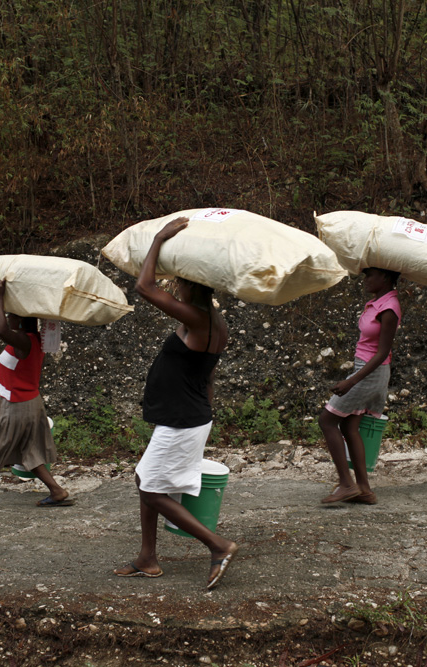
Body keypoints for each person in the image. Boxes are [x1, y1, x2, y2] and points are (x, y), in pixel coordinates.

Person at [114, 217, 238, 590]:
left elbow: (144, 286)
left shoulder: (197, 318)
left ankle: (218, 546)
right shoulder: (215, 322)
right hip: (188, 416)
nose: (175, 287)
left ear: (190, 285)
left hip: (183, 420)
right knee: (145, 479)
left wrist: (159, 239)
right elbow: (208, 375)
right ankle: (147, 558)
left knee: (151, 489)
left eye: (179, 281)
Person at [0, 280, 70, 512]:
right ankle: (57, 492)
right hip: (25, 403)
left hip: (17, 405)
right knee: (29, 450)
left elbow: (0, 329)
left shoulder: (24, 340)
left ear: (20, 319)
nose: (8, 318)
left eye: (11, 314)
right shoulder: (30, 339)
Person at [317, 267, 402, 506]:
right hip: (364, 369)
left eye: (370, 275)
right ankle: (363, 489)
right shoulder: (376, 303)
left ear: (384, 277)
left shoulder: (389, 308)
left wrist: (351, 381)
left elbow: (383, 352)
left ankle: (346, 484)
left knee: (327, 420)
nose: (365, 280)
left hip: (371, 373)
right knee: (349, 425)